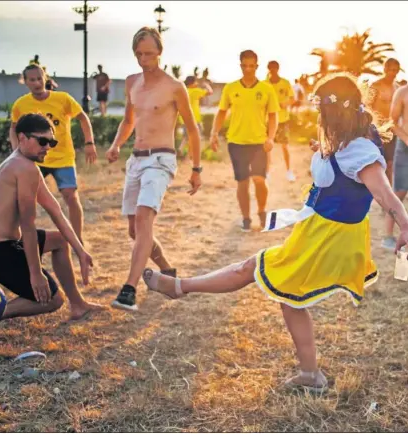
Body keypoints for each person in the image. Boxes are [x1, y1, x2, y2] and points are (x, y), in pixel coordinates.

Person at [143, 74, 408, 393]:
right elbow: (343, 173)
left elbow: (384, 193)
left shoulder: (360, 150)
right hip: (316, 232)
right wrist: (324, 152)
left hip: (331, 238)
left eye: (321, 111)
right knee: (282, 292)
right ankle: (310, 375)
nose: (318, 117)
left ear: (333, 111)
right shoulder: (346, 141)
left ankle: (180, 287)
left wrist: (405, 225)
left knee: (253, 269)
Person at [0, 114, 104, 349]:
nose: (48, 148)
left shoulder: (24, 164)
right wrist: (35, 273)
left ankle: (79, 304)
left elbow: (55, 210)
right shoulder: (24, 168)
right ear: (22, 138)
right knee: (52, 301)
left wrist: (80, 250)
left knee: (60, 241)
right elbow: (28, 226)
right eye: (42, 142)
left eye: (52, 143)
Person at [105, 27, 202, 311]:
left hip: (161, 159)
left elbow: (193, 129)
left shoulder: (175, 86)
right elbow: (128, 121)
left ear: (159, 52)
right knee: (135, 232)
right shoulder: (131, 82)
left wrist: (196, 169)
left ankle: (129, 290)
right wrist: (115, 146)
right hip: (136, 159)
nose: (143, 59)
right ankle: (167, 271)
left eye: (148, 53)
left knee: (145, 219)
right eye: (138, 54)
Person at [10, 64, 98, 244]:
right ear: (25, 82)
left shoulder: (62, 98)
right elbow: (13, 128)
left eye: (39, 78)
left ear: (45, 78)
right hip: (35, 159)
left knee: (70, 196)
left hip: (62, 158)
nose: (36, 83)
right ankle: (18, 238)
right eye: (32, 80)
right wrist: (16, 151)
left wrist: (89, 142)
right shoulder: (21, 104)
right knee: (23, 198)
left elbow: (83, 117)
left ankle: (77, 239)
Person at [210, 50, 279, 232]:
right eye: (244, 65)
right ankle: (246, 219)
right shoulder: (231, 88)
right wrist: (214, 134)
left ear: (257, 66)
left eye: (252, 66)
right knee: (243, 182)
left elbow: (273, 116)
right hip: (236, 142)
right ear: (240, 65)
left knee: (259, 179)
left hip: (259, 143)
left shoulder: (266, 89)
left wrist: (271, 138)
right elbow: (222, 112)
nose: (248, 69)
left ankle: (262, 211)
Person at [382, 84, 408, 250]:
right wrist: (406, 139)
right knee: (399, 191)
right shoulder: (402, 92)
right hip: (405, 147)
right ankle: (387, 236)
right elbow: (392, 121)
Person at [370, 58, 401, 184]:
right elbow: (367, 106)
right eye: (391, 70)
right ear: (385, 69)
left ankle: (390, 190)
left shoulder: (398, 88)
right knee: (376, 162)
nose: (393, 73)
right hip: (376, 130)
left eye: (396, 70)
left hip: (392, 130)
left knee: (390, 162)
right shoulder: (375, 86)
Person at [266, 61, 296, 182]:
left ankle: (289, 171)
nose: (273, 70)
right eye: (271, 68)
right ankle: (267, 172)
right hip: (268, 120)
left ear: (278, 69)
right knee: (267, 147)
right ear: (268, 69)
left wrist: (285, 103)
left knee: (284, 146)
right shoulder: (264, 84)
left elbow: (292, 98)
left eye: (275, 68)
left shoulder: (285, 83)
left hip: (283, 119)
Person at [178, 75, 213, 158]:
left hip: (183, 119)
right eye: (195, 82)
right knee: (196, 137)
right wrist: (206, 85)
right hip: (195, 119)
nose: (197, 83)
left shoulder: (183, 91)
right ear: (192, 83)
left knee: (186, 137)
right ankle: (192, 154)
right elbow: (210, 92)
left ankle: (181, 149)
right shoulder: (195, 91)